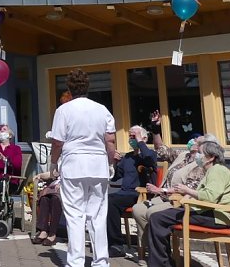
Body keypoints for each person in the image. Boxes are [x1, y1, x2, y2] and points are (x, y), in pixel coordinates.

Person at [50, 69, 117, 267]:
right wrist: (111, 161)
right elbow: (110, 139)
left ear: (69, 88)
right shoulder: (102, 109)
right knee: (97, 215)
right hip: (98, 165)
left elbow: (57, 143)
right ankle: (101, 261)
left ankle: (76, 262)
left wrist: (54, 163)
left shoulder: (63, 110)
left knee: (75, 216)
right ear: (87, 87)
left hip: (74, 165)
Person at [146, 140, 230, 267]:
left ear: (211, 157)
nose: (197, 156)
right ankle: (164, 261)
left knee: (158, 218)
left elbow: (210, 197)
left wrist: (187, 190)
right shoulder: (211, 171)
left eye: (200, 153)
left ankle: (160, 263)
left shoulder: (218, 171)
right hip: (206, 211)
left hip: (216, 216)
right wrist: (187, 197)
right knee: (160, 217)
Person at [131, 128, 212, 257]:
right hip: (163, 197)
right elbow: (161, 150)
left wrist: (161, 190)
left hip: (178, 200)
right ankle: (152, 248)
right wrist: (156, 130)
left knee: (152, 213)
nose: (193, 141)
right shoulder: (183, 155)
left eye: (197, 141)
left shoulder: (201, 165)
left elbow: (189, 188)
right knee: (138, 209)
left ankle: (160, 252)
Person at [107, 125, 157, 257]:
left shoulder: (149, 154)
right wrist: (115, 162)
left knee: (111, 202)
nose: (131, 139)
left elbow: (150, 159)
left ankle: (116, 245)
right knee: (104, 200)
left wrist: (140, 142)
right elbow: (116, 177)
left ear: (144, 138)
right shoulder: (128, 157)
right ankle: (109, 242)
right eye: (130, 136)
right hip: (124, 192)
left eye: (133, 136)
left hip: (140, 194)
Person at [32, 170, 62, 246]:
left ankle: (52, 234)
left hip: (67, 187)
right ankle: (43, 231)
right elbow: (52, 173)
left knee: (55, 199)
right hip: (54, 187)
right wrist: (40, 175)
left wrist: (63, 184)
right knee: (44, 198)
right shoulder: (62, 162)